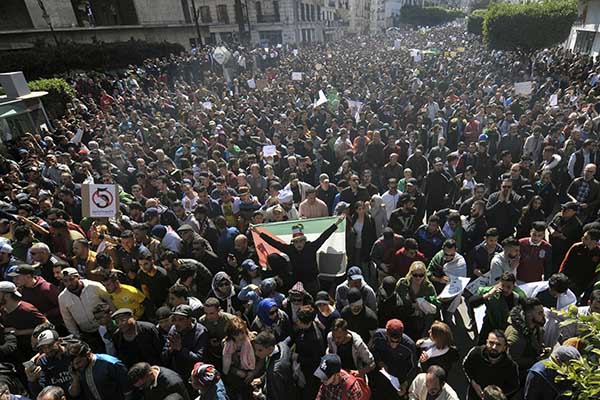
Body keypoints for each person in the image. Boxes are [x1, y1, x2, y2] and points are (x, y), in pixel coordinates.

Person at [250, 216, 344, 295]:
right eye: (296, 242)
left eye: (301, 241)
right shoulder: (290, 249)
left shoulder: (311, 247)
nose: (299, 244)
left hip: (312, 281)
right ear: (293, 243)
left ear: (304, 241)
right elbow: (274, 243)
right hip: (297, 281)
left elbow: (324, 236)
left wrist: (337, 223)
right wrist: (258, 232)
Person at [57, 267, 114, 351]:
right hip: (87, 333)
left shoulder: (94, 286)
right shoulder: (62, 297)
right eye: (65, 281)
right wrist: (76, 336)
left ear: (78, 277)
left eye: (71, 279)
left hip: (105, 326)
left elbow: (110, 301)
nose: (69, 283)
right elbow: (68, 319)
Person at [469, 272, 526, 345]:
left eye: (508, 287)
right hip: (490, 324)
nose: (505, 289)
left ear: (513, 286)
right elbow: (472, 302)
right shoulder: (491, 292)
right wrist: (488, 295)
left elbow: (526, 309)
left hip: (507, 327)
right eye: (503, 285)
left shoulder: (518, 296)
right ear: (499, 283)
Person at [65, 339, 132, 400]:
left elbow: (128, 391)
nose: (76, 367)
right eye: (73, 364)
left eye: (78, 362)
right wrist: (75, 378)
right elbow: (73, 394)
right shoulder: (76, 370)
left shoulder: (110, 364)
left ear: (88, 354)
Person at [462, 330, 519, 400]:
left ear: (504, 347)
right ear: (486, 342)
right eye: (491, 343)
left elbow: (513, 385)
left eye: (498, 344)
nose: (494, 347)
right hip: (474, 395)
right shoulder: (476, 353)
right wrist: (474, 383)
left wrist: (496, 394)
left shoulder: (510, 365)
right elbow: (466, 366)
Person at [370, 319, 417, 398]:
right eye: (391, 341)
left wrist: (405, 384)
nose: (394, 345)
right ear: (386, 334)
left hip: (398, 378)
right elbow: (372, 350)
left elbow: (414, 367)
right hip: (381, 372)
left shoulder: (409, 346)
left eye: (397, 341)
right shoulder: (378, 336)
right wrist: (379, 362)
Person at [504, 298, 547, 385]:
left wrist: (541, 349)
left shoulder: (536, 325)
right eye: (540, 313)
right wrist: (535, 360)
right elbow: (513, 360)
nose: (543, 316)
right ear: (529, 315)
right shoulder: (515, 336)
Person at [161, 304, 208, 381]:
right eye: (175, 319)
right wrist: (170, 349)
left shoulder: (200, 332)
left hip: (194, 376)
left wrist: (180, 349)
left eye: (180, 320)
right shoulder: (174, 330)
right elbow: (164, 356)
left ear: (189, 319)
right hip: (177, 374)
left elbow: (199, 359)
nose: (176, 323)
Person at [395, 261, 439, 340]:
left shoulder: (429, 287)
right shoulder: (403, 283)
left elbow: (434, 303)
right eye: (415, 275)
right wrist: (413, 306)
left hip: (421, 319)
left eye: (421, 275)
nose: (418, 278)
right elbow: (397, 298)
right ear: (411, 274)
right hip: (405, 316)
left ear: (424, 275)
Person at [251, 331, 296, 400]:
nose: (256, 353)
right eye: (255, 349)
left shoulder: (274, 372)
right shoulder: (282, 346)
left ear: (270, 348)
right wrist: (262, 379)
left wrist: (260, 396)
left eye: (260, 350)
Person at [26, 329, 71, 397]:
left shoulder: (72, 352)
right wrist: (32, 381)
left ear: (59, 341)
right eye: (43, 347)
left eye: (50, 345)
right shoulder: (42, 362)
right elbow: (41, 393)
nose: (47, 350)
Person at [559, 228, 600, 296]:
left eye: (586, 238)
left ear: (594, 241)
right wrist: (561, 277)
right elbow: (565, 263)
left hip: (584, 284)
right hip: (569, 280)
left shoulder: (598, 253)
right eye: (583, 236)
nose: (582, 239)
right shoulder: (576, 247)